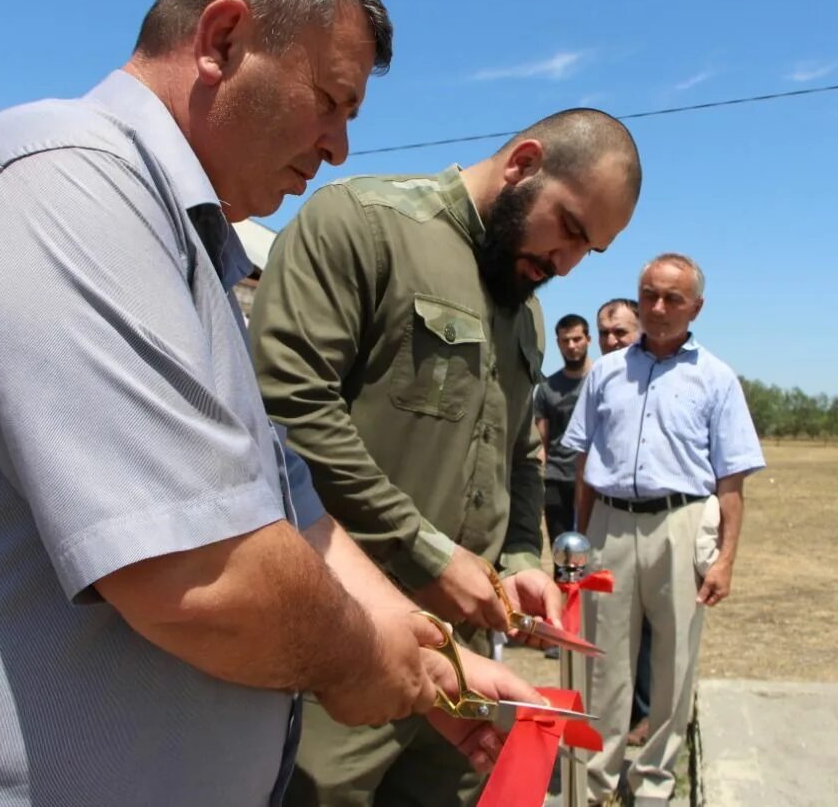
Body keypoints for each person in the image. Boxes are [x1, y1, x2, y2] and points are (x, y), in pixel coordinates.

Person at [0, 0, 537, 804]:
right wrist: (366, 662)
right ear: (222, 40)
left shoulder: (183, 248)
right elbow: (201, 576)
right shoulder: (61, 183)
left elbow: (294, 513)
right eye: (331, 101)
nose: (340, 145)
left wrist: (432, 663)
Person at [251, 108, 643, 805]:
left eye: (590, 253)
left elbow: (523, 448)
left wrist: (521, 557)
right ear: (524, 163)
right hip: (342, 645)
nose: (567, 264)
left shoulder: (525, 312)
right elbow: (290, 412)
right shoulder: (364, 224)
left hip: (462, 665)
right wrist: (427, 555)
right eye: (571, 229)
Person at [562, 254, 765, 804]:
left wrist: (725, 559)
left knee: (675, 661)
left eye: (672, 298)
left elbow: (731, 480)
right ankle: (595, 781)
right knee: (602, 659)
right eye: (648, 294)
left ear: (696, 307)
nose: (657, 307)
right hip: (608, 524)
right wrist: (577, 540)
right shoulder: (607, 371)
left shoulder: (716, 378)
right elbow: (582, 463)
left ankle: (653, 781)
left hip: (682, 524)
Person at [594, 296, 655, 747]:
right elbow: (581, 456)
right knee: (607, 630)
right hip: (607, 517)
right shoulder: (599, 378)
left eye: (621, 331)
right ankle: (608, 725)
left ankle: (648, 715)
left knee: (654, 629)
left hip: (665, 520)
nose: (612, 340)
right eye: (606, 332)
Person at [535, 313, 592, 546]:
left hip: (592, 480)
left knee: (594, 556)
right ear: (557, 342)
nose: (571, 346)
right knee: (563, 554)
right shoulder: (547, 389)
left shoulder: (601, 380)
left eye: (577, 339)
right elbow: (541, 442)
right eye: (565, 340)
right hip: (557, 482)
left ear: (588, 339)